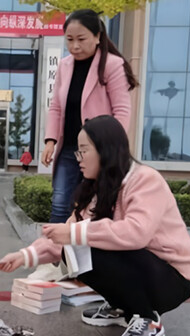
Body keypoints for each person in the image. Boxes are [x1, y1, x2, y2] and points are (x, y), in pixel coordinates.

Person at [0, 116, 190, 336]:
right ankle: (122, 306)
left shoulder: (145, 179)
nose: (78, 159)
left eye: (83, 151)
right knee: (72, 251)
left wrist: (74, 234)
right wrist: (23, 256)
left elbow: (137, 233)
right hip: (142, 269)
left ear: (106, 150)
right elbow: (63, 239)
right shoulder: (95, 188)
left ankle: (148, 319)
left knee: (89, 247)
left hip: (170, 279)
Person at [42, 9, 138, 224]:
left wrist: (112, 148)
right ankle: (55, 255)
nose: (75, 46)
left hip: (99, 152)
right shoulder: (64, 66)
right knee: (59, 205)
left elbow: (122, 110)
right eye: (69, 40)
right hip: (69, 149)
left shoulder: (112, 65)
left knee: (96, 208)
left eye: (81, 39)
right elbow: (56, 107)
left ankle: (90, 255)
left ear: (97, 37)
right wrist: (50, 141)